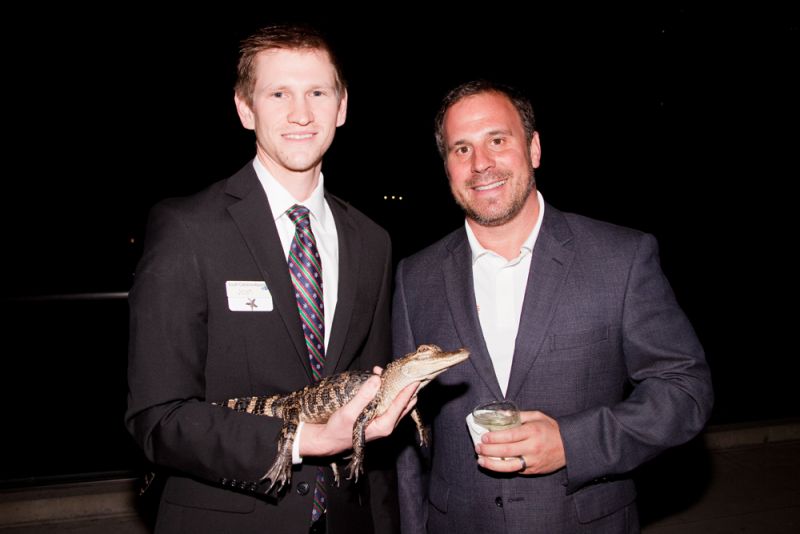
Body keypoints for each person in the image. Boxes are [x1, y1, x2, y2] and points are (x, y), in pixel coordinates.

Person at [125, 24, 416, 534]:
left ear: (342, 106)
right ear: (244, 108)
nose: (301, 113)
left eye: (317, 93)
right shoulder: (188, 229)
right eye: (278, 93)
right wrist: (301, 437)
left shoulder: (373, 241)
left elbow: (371, 414)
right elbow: (157, 420)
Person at [392, 80, 713, 533]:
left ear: (534, 148)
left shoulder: (620, 258)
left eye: (497, 141)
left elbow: (684, 391)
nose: (481, 164)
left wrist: (573, 443)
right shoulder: (413, 277)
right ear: (446, 165)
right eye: (461, 149)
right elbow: (409, 434)